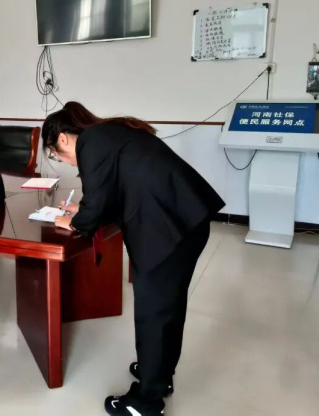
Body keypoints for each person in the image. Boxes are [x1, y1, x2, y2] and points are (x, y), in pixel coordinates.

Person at [42, 102, 225, 416]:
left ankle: (146, 402)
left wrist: (76, 220)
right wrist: (82, 210)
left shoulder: (90, 142)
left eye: (57, 155)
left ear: (61, 139)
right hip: (184, 220)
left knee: (154, 314)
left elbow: (98, 200)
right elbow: (114, 190)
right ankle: (159, 375)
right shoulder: (110, 133)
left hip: (168, 230)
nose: (64, 161)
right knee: (167, 308)